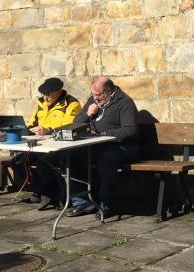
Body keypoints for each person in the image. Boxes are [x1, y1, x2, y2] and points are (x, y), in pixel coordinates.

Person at [65, 75, 139, 218]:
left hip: (122, 147)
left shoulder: (125, 103)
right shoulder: (93, 100)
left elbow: (130, 130)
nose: (96, 98)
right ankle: (82, 202)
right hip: (97, 145)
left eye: (98, 95)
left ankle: (107, 204)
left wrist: (103, 134)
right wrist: (87, 114)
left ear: (108, 91)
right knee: (71, 156)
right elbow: (76, 123)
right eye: (93, 95)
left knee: (106, 159)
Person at [16, 78, 81, 209]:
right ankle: (42, 190)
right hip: (40, 146)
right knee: (17, 162)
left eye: (49, 94)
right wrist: (23, 130)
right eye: (43, 94)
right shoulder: (41, 103)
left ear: (59, 92)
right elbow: (32, 123)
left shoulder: (71, 104)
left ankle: (50, 194)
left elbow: (69, 127)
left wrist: (48, 131)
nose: (45, 97)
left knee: (43, 163)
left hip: (60, 147)